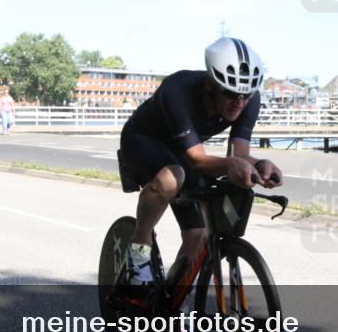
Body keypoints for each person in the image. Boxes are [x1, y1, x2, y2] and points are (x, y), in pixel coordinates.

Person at [118, 37, 283, 286]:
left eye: (245, 95)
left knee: (198, 234)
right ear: (210, 85)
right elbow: (197, 159)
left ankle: (173, 301)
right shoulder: (178, 89)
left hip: (181, 152)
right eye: (230, 93)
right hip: (143, 140)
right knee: (171, 178)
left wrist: (260, 164)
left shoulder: (249, 100)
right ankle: (138, 253)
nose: (238, 103)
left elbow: (240, 153)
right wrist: (229, 165)